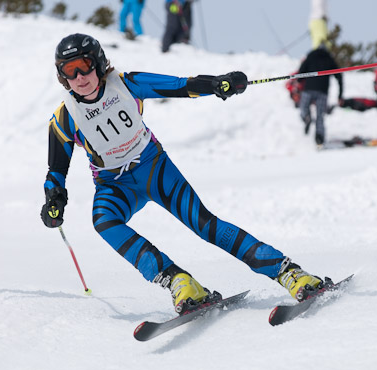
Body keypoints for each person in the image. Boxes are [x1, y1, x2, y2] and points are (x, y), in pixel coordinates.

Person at [42, 33, 325, 313]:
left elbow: (181, 86)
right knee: (104, 221)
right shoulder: (65, 117)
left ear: (99, 63)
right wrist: (54, 200)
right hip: (114, 185)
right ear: (62, 76)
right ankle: (179, 281)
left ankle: (289, 272)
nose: (80, 77)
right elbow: (56, 170)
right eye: (70, 70)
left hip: (154, 168)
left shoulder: (127, 84)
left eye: (84, 65)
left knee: (204, 224)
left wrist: (217, 84)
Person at [297, 43, 343, 146]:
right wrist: (340, 94)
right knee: (320, 116)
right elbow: (339, 76)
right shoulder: (329, 58)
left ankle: (306, 117)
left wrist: (299, 80)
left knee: (303, 108)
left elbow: (302, 70)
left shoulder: (311, 55)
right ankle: (319, 138)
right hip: (322, 92)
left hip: (308, 89)